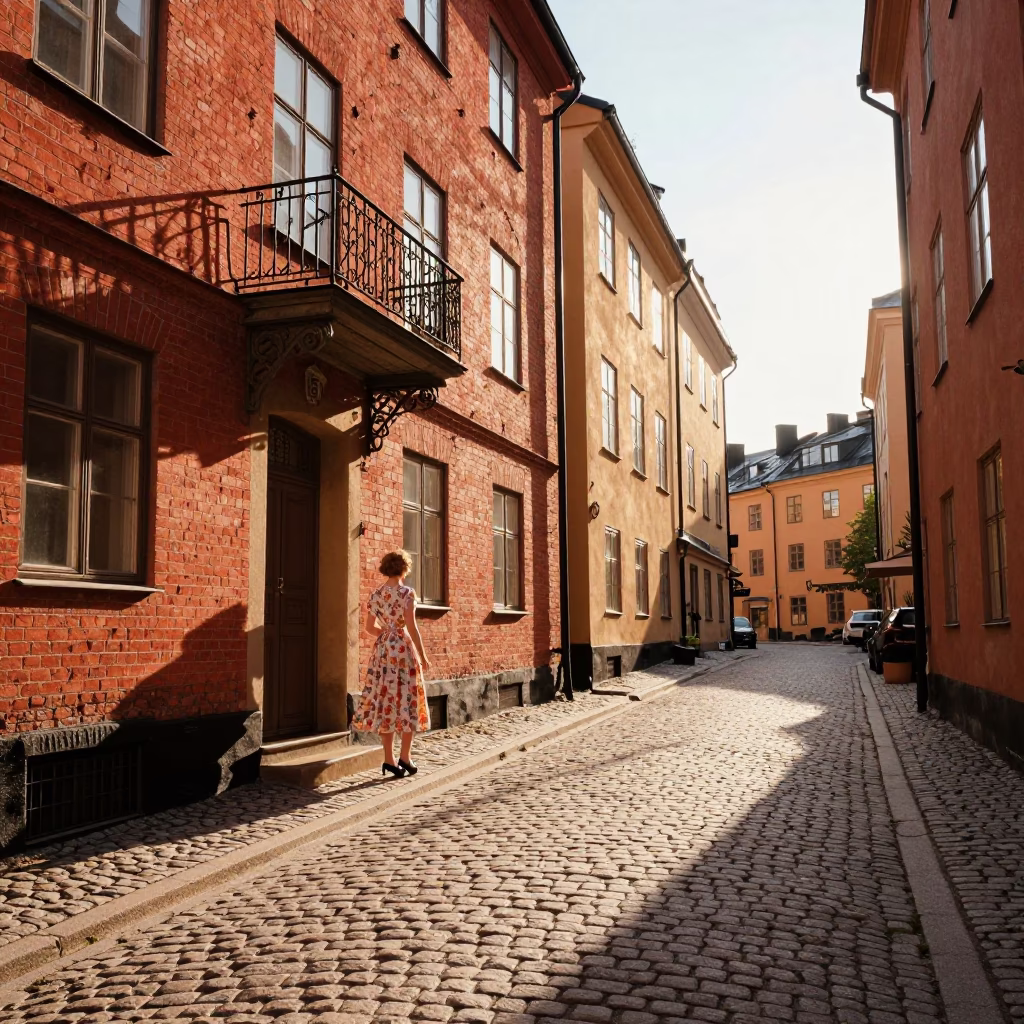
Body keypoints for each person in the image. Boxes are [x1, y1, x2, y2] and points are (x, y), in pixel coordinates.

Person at [352, 550, 431, 778]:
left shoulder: (376, 595)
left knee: (386, 700)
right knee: (408, 701)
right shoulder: (407, 593)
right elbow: (412, 627)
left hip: (383, 652)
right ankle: (405, 757)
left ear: (386, 569)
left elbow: (369, 628)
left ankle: (389, 759)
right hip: (403, 652)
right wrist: (423, 656)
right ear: (404, 569)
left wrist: (386, 634)